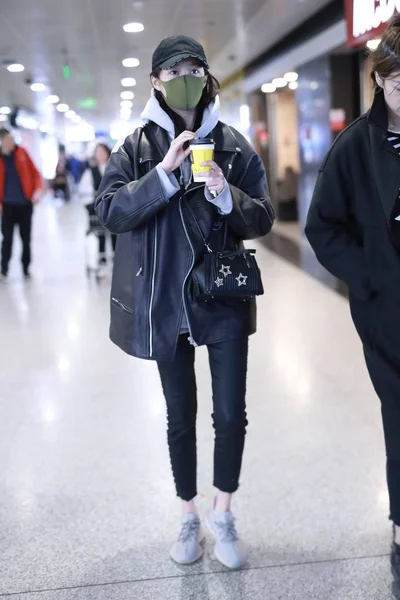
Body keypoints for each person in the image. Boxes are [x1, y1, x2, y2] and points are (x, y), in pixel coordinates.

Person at [96, 35, 274, 569]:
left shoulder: (233, 143)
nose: (184, 78)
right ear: (155, 81)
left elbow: (262, 215)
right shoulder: (137, 147)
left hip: (222, 294)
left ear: (205, 74)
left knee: (230, 415)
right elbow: (110, 210)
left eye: (193, 67)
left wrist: (224, 194)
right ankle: (187, 514)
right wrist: (164, 176)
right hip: (164, 301)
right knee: (180, 417)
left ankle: (222, 510)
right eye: (172, 71)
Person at [305, 16, 400, 580]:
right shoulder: (355, 148)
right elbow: (323, 229)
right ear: (381, 81)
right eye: (397, 82)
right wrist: (367, 278)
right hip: (387, 310)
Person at [0, 129, 43, 280]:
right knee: (7, 239)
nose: (13, 142)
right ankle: (4, 270)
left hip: (25, 204)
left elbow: (36, 173)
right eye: (9, 139)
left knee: (26, 238)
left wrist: (38, 190)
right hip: (6, 206)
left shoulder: (22, 152)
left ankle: (26, 268)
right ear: (2, 141)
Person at [80, 143, 116, 274]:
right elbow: (84, 190)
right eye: (98, 152)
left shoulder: (115, 168)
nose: (100, 155)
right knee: (100, 234)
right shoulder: (91, 172)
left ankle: (115, 259)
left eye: (102, 152)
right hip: (99, 209)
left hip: (114, 208)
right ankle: (102, 260)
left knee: (115, 234)